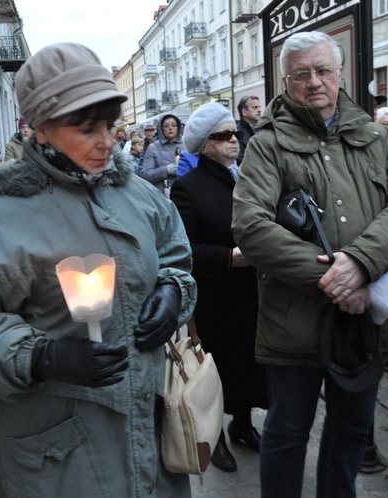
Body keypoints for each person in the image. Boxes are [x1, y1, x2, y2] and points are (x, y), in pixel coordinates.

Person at [0, 42, 197, 497]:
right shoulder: (0, 217)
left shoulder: (136, 193)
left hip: (147, 432)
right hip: (60, 452)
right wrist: (41, 357)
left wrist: (172, 292)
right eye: (86, 128)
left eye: (109, 126)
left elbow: (175, 254)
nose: (107, 141)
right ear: (41, 131)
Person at [231, 31, 388, 498]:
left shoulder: (372, 135)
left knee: (350, 435)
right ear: (286, 81)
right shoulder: (267, 144)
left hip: (365, 321)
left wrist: (360, 262)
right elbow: (251, 227)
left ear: (340, 74)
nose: (313, 82)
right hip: (294, 323)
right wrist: (338, 278)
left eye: (322, 70)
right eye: (301, 74)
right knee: (287, 433)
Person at [170, 102, 267, 474]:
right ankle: (217, 437)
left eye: (235, 134)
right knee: (219, 370)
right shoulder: (187, 187)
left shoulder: (242, 176)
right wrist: (230, 258)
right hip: (216, 297)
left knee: (249, 364)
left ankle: (242, 425)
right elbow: (185, 249)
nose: (234, 141)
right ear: (203, 144)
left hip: (251, 292)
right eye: (223, 136)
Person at [140, 114, 184, 197]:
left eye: (174, 125)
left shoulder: (187, 145)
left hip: (185, 193)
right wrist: (166, 170)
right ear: (161, 129)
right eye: (166, 126)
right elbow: (146, 175)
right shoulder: (153, 147)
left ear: (178, 127)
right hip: (162, 196)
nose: (170, 128)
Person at [236, 95, 262, 165]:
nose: (260, 110)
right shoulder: (237, 133)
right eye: (255, 107)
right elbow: (240, 160)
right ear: (244, 112)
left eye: (259, 107)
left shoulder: (263, 129)